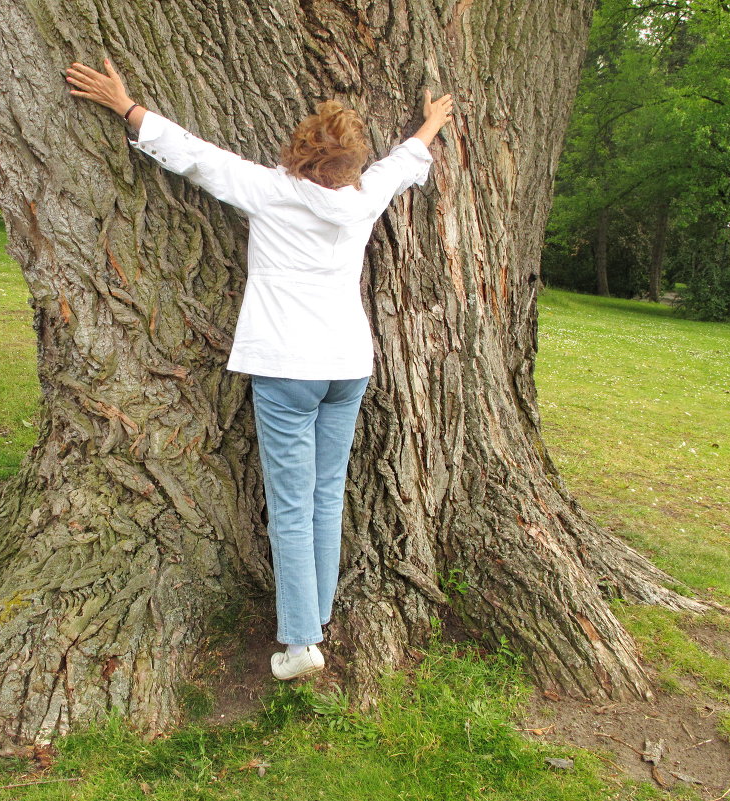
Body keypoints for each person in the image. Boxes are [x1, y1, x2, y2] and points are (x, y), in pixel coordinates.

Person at [67, 58, 453, 680]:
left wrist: (125, 107)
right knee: (326, 496)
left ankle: (302, 641)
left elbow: (194, 156)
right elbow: (400, 166)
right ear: (351, 165)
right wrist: (429, 126)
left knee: (294, 506)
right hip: (347, 366)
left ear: (299, 150)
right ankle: (315, 619)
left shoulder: (271, 190)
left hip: (287, 367)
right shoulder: (363, 200)